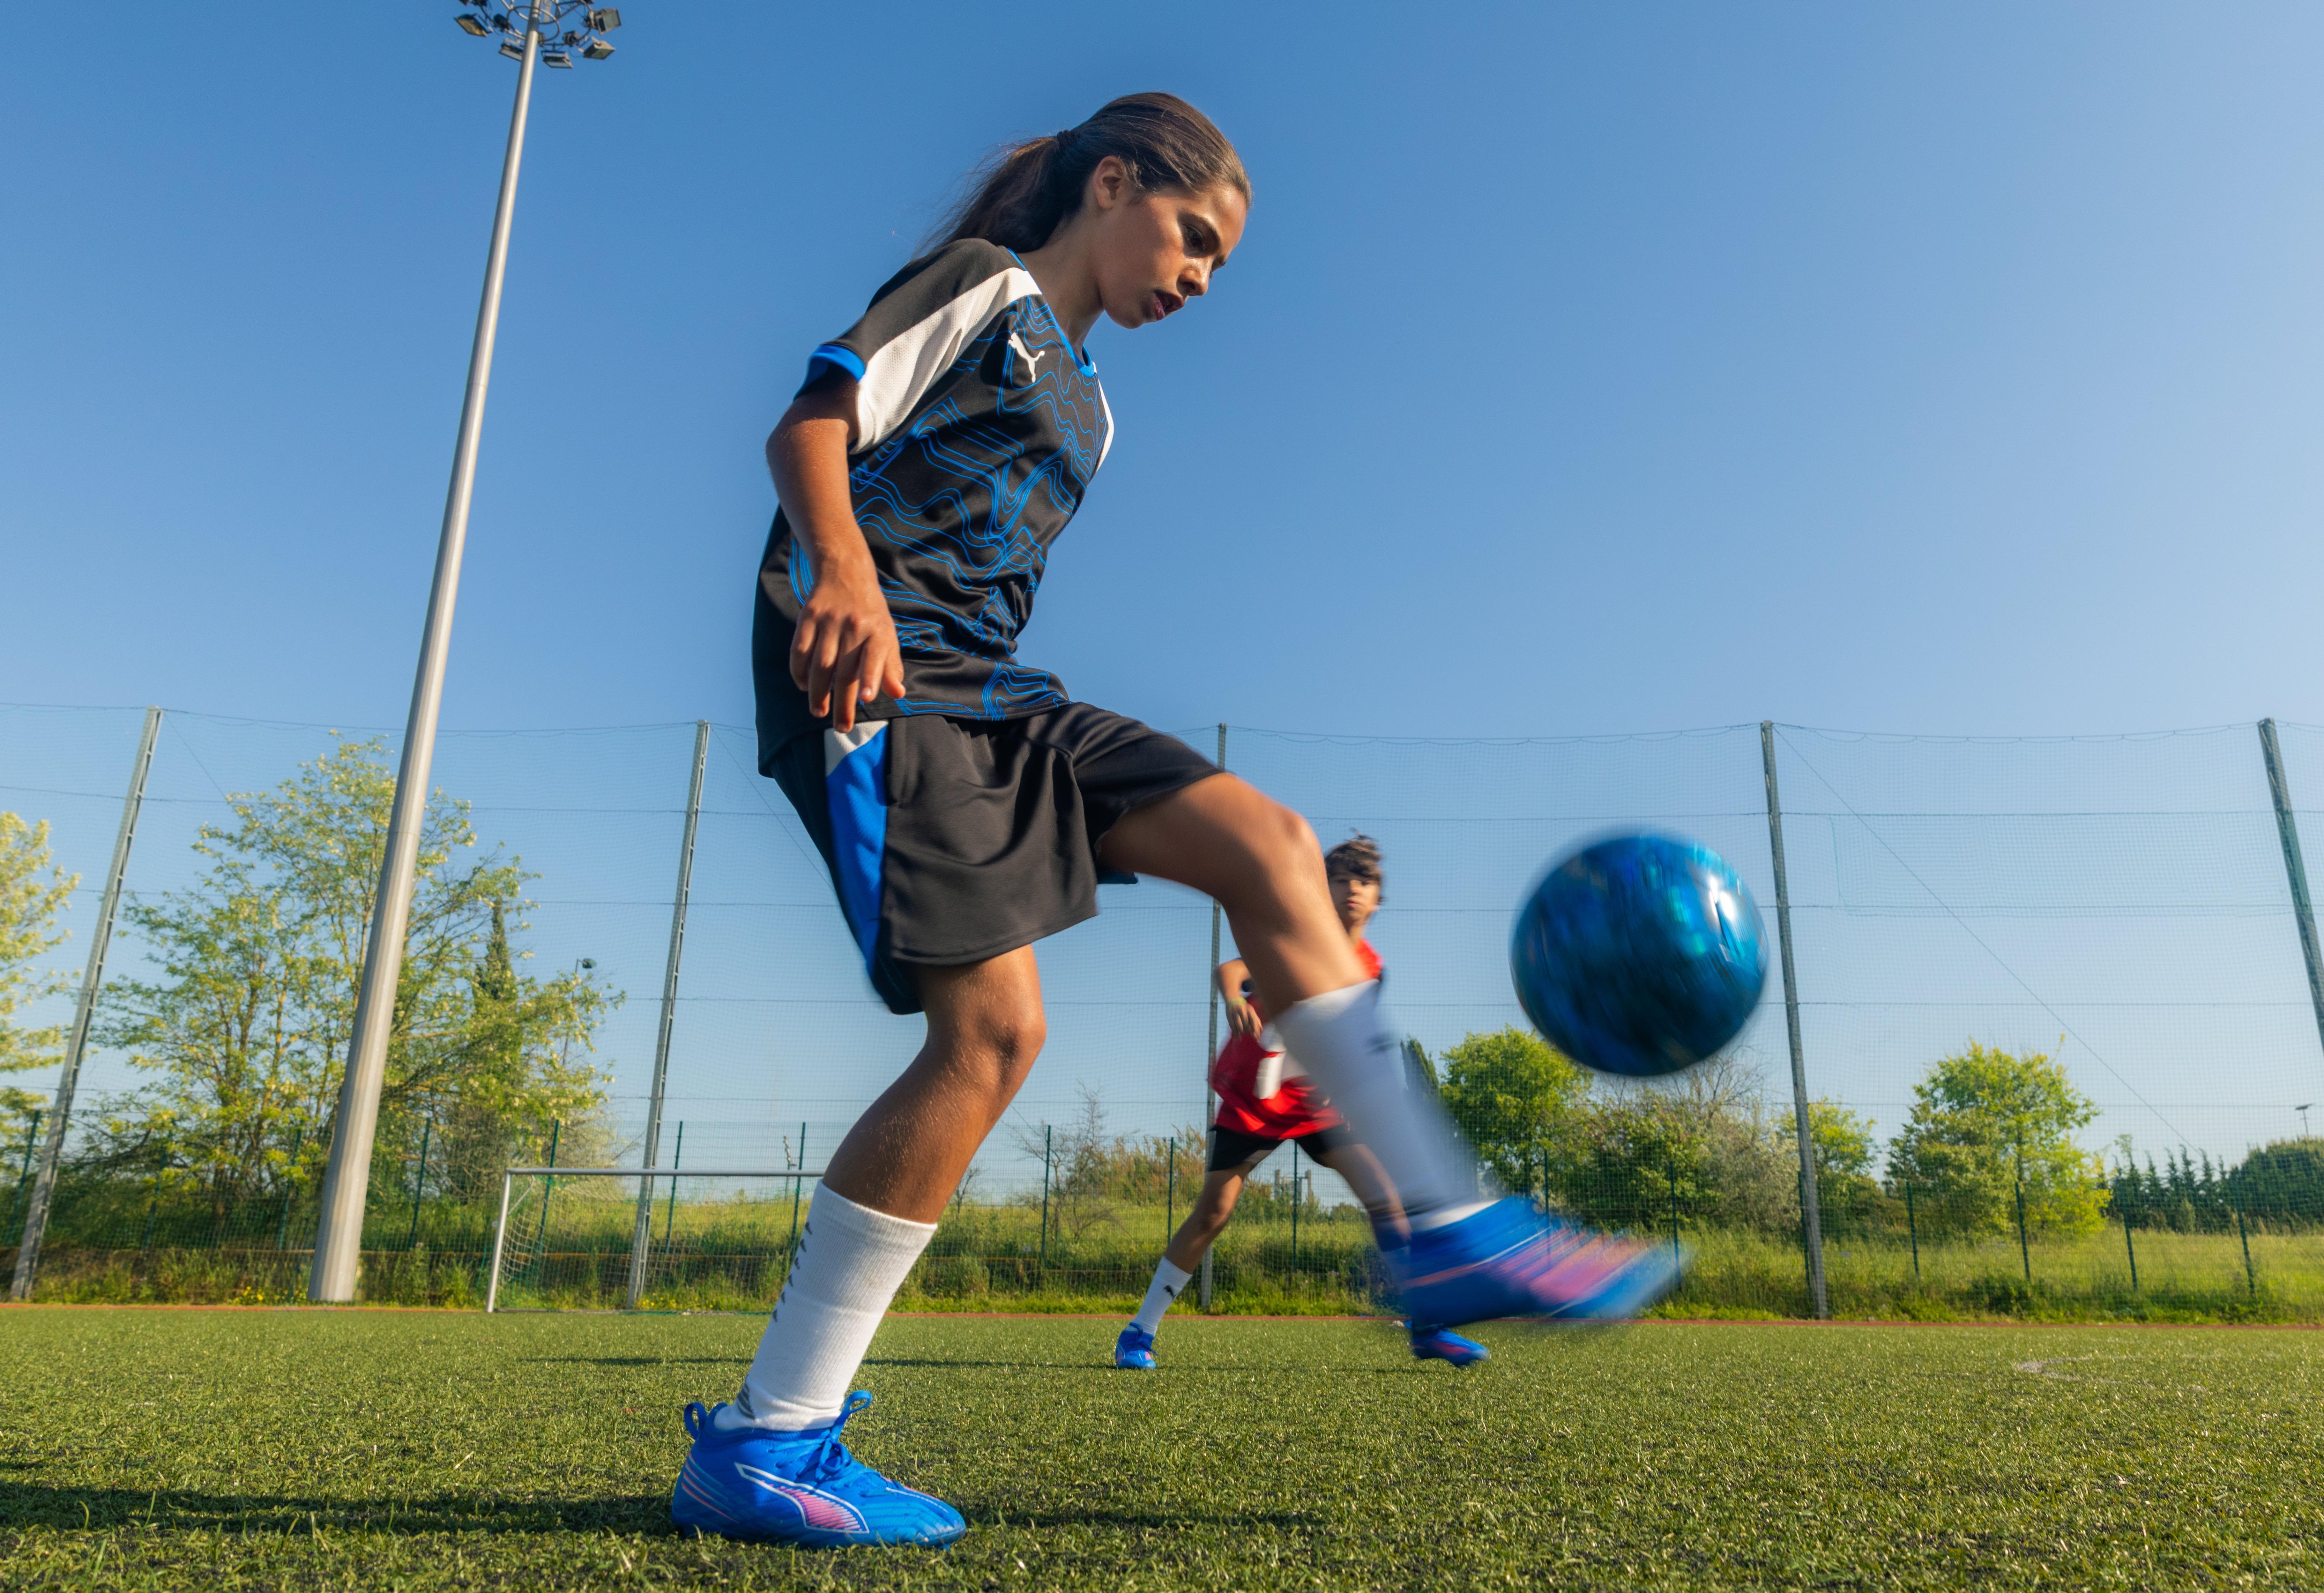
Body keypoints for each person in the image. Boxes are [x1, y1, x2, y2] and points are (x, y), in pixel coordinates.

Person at [670, 93, 1679, 1552]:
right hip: (878, 679)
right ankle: (766, 1442)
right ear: (1113, 183)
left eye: (1219, 263)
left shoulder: (1095, 405)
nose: (1199, 277)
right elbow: (811, 422)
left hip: (999, 694)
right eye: (1193, 238)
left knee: (1272, 846)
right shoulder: (984, 287)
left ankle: (1440, 1229)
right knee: (990, 1042)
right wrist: (840, 572)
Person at [1114, 834, 1487, 1370]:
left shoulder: (1371, 969)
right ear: (1322, 889)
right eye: (1342, 879)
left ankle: (1427, 1327)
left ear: (1378, 898)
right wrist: (1232, 1001)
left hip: (1318, 1103)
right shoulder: (1296, 938)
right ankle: (1138, 1332)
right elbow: (1232, 971)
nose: (1354, 889)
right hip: (1255, 1097)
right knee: (1213, 1214)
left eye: (1365, 881)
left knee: (1386, 1199)